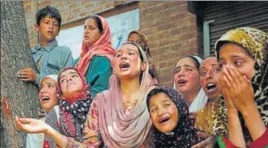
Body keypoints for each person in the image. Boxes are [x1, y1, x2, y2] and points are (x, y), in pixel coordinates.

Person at [16, 43, 155, 148]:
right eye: (118, 55)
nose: (123, 56)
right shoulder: (101, 102)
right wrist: (48, 130)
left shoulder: (156, 98)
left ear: (143, 65)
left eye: (130, 53)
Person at [214, 27, 268, 147]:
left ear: (262, 65)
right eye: (221, 65)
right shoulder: (221, 115)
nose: (226, 71)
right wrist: (232, 111)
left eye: (237, 62)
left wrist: (248, 108)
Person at [17, 6, 73, 86]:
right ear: (37, 27)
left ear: (58, 31)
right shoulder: (30, 53)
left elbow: (68, 83)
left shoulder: (64, 52)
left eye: (55, 24)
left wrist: (37, 78)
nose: (51, 27)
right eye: (47, 22)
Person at [74, 15, 116, 97]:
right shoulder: (78, 61)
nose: (86, 31)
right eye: (85, 28)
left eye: (91, 28)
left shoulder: (104, 59)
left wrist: (78, 105)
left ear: (103, 33)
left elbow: (100, 93)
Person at [195, 56, 228, 137]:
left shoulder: (245, 105)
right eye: (203, 73)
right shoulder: (201, 117)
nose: (208, 76)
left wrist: (218, 142)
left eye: (216, 69)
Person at [26, 74, 59, 148]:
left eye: (50, 86)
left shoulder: (74, 119)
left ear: (60, 92)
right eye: (41, 87)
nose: (42, 90)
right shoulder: (35, 129)